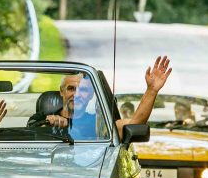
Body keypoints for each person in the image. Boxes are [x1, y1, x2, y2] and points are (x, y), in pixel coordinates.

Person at [31, 56, 172, 139]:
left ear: (91, 95)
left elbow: (136, 122)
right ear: (61, 92)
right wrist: (47, 124)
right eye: (71, 89)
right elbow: (30, 140)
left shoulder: (99, 124)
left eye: (83, 90)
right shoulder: (40, 118)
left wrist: (152, 90)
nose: (76, 94)